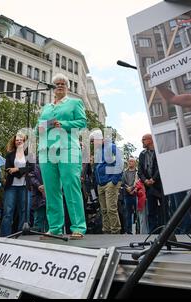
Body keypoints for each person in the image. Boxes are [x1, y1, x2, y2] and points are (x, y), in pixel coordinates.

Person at [37, 73, 87, 239]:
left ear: (67, 87)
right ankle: (55, 228)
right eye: (57, 84)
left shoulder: (74, 103)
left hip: (68, 149)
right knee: (51, 191)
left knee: (70, 188)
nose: (59, 86)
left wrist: (63, 124)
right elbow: (39, 127)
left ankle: (78, 227)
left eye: (62, 84)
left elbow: (82, 122)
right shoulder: (46, 107)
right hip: (47, 150)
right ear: (53, 87)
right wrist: (49, 124)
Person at [91, 129, 124, 234]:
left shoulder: (111, 147)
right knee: (104, 210)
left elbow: (120, 162)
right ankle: (106, 231)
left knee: (111, 209)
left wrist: (114, 181)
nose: (92, 144)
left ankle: (115, 231)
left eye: (93, 141)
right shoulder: (98, 151)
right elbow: (97, 167)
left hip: (110, 182)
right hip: (101, 184)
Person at [0, 133, 31, 237]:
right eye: (17, 140)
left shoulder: (29, 155)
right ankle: (5, 235)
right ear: (14, 142)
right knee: (8, 211)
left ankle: (21, 234)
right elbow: (8, 169)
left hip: (25, 187)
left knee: (24, 211)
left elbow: (32, 168)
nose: (19, 141)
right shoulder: (10, 155)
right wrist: (22, 172)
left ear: (25, 141)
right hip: (11, 186)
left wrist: (17, 169)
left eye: (21, 140)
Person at [138, 134, 168, 234]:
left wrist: (154, 179)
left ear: (150, 140)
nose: (142, 141)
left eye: (143, 140)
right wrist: (145, 180)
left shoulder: (159, 151)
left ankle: (166, 231)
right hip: (149, 187)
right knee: (151, 211)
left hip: (160, 186)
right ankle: (153, 232)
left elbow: (161, 166)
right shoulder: (142, 154)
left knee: (164, 210)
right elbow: (140, 171)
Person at [28, 163, 48, 232]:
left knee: (50, 218)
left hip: (50, 192)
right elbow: (31, 176)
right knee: (39, 218)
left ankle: (50, 233)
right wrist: (39, 185)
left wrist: (47, 186)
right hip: (38, 194)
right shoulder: (34, 164)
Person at [122, 157, 138, 234]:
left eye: (132, 161)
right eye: (129, 161)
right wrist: (127, 188)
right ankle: (128, 231)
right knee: (128, 213)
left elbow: (138, 182)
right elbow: (123, 182)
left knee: (137, 213)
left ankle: (138, 230)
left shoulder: (137, 172)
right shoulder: (125, 172)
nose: (130, 162)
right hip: (127, 194)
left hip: (136, 194)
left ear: (135, 163)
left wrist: (133, 189)